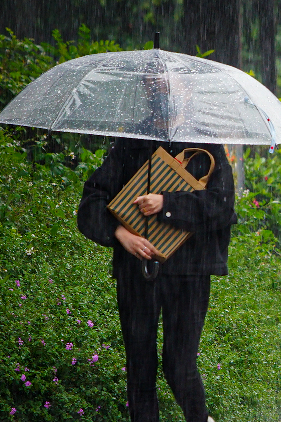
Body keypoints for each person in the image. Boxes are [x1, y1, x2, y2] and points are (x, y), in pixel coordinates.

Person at [77, 75, 236, 422]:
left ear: (185, 91)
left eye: (166, 85)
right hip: (136, 272)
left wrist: (167, 203)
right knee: (140, 368)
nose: (159, 92)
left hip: (189, 273)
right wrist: (120, 233)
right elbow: (91, 201)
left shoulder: (205, 142)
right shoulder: (131, 141)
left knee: (180, 365)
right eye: (152, 87)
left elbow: (222, 206)